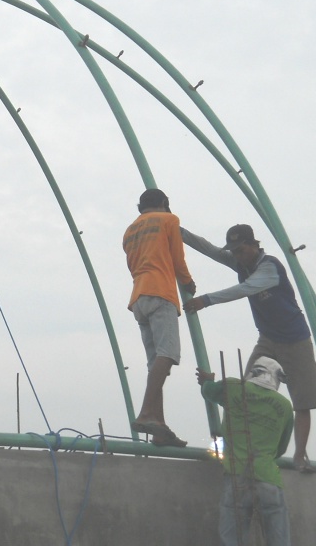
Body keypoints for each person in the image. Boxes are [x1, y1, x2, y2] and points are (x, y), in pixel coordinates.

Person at [181, 224, 316, 472]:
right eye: (234, 251)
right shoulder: (241, 264)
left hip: (295, 339)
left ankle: (300, 457)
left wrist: (207, 300)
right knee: (245, 394)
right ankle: (237, 450)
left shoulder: (269, 267)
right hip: (267, 338)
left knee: (303, 401)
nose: (237, 255)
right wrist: (178, 231)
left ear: (254, 245)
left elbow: (246, 288)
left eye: (241, 249)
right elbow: (210, 249)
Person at [123, 188, 195, 447]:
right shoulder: (169, 220)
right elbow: (178, 258)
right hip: (161, 292)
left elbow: (132, 264)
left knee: (156, 364)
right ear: (165, 203)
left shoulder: (130, 231)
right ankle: (146, 413)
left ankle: (159, 426)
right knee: (168, 355)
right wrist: (188, 282)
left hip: (139, 297)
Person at [197, 357, 294, 546]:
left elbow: (208, 391)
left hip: (236, 477)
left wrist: (207, 380)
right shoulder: (284, 406)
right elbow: (280, 448)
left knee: (232, 539)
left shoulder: (233, 387)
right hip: (269, 480)